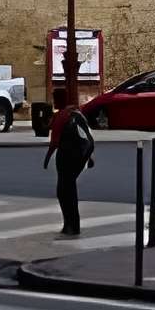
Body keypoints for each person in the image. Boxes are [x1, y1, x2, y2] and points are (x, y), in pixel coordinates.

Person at [44, 100, 95, 236]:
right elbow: (87, 138)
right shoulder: (77, 114)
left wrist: (46, 160)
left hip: (68, 155)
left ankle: (70, 225)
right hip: (81, 154)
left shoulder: (59, 117)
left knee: (63, 191)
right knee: (69, 188)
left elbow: (54, 143)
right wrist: (89, 157)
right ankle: (72, 224)